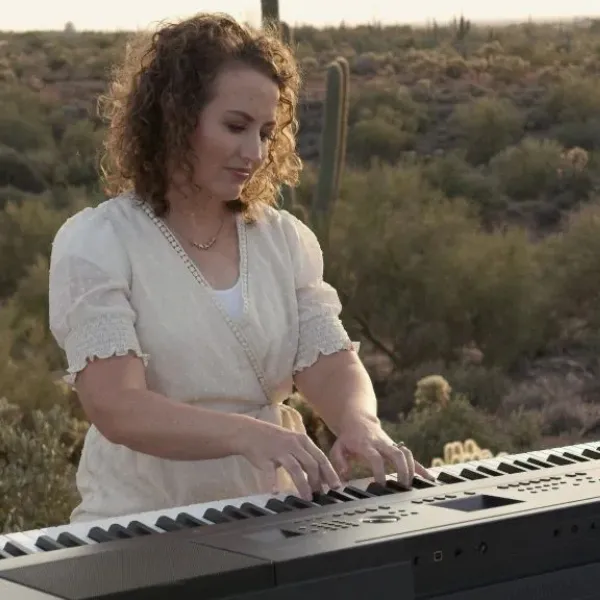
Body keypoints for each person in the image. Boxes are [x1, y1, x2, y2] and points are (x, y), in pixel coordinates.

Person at [48, 12, 431, 524]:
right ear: (175, 118)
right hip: (142, 527)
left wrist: (360, 422)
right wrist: (249, 435)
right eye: (235, 126)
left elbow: (329, 360)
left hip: (272, 515)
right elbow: (118, 407)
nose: (254, 152)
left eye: (267, 132)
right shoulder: (99, 242)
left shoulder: (283, 240)